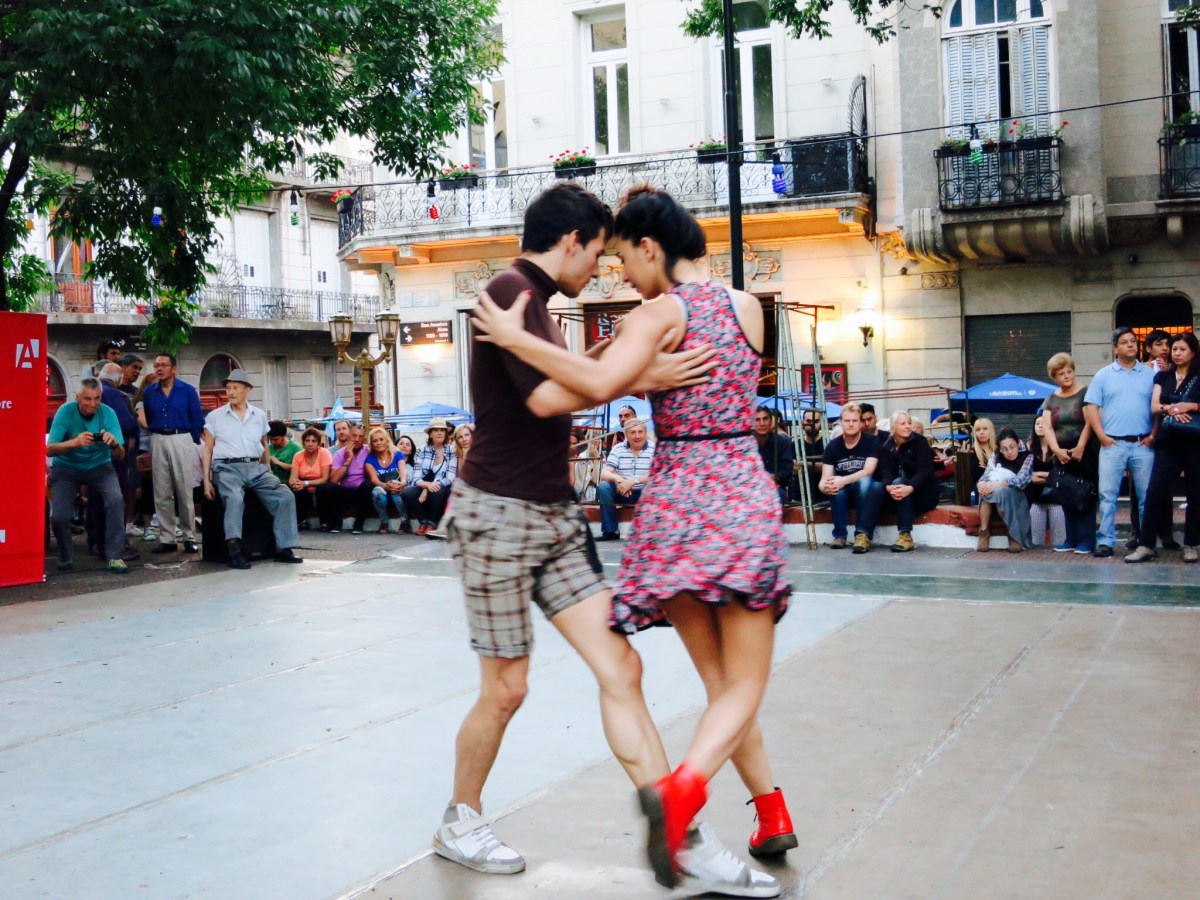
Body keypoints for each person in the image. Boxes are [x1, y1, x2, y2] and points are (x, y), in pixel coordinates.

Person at [470, 183, 791, 894]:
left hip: (675, 505)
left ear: (650, 248)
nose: (618, 275)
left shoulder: (654, 316)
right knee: (743, 685)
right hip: (738, 493)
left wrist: (523, 338)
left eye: (624, 261)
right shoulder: (748, 309)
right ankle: (697, 795)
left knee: (708, 683)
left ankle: (726, 807)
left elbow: (598, 377)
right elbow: (595, 383)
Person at [200, 369, 303, 570]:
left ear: (247, 390)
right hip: (227, 466)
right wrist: (206, 480)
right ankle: (234, 549)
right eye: (228, 388)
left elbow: (264, 445)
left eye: (235, 387)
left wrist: (268, 470)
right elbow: (208, 449)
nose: (230, 392)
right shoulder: (215, 416)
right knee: (235, 498)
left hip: (255, 466)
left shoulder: (259, 415)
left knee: (284, 495)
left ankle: (284, 548)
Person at [1126, 332, 1200, 563]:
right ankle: (1146, 544)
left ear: (1193, 352)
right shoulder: (1163, 376)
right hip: (1168, 442)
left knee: (1196, 494)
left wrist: (1191, 405)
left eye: (1181, 349)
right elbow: (1155, 406)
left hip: (1195, 442)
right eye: (1174, 349)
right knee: (1155, 491)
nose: (1176, 353)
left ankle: (1191, 544)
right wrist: (1175, 409)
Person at [1084, 328, 1156, 558]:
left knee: (1147, 496)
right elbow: (1091, 407)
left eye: (1133, 341)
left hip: (1142, 443)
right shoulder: (1103, 375)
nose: (1130, 345)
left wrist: (1153, 435)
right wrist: (1102, 436)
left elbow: (1159, 408)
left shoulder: (1150, 374)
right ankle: (1105, 541)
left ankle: (1146, 543)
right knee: (1108, 496)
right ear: (1115, 348)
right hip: (1112, 443)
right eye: (1124, 342)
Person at [46, 378, 129, 574]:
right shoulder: (65, 412)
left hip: (100, 467)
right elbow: (49, 449)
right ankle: (66, 555)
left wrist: (114, 444)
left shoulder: (108, 413)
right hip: (66, 469)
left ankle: (115, 556)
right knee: (59, 517)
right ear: (77, 397)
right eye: (87, 399)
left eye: (97, 399)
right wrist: (73, 443)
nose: (92, 404)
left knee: (116, 501)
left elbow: (121, 454)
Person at [140, 353, 204, 554]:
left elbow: (196, 418)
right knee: (161, 490)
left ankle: (189, 536)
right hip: (158, 437)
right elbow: (148, 417)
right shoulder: (150, 392)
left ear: (173, 368)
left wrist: (190, 440)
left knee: (184, 489)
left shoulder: (187, 390)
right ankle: (167, 537)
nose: (159, 369)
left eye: (163, 365)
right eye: (156, 365)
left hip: (181, 436)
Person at [1039, 353, 1097, 554]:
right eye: (1061, 373)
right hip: (1061, 452)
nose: (1066, 376)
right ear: (1053, 377)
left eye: (1069, 371)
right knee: (1066, 493)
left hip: (1085, 451)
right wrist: (1056, 450)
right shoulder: (1051, 398)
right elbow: (1046, 427)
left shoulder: (1086, 393)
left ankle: (1087, 540)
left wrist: (1080, 447)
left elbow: (1091, 421)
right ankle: (1070, 538)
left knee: (1085, 494)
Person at [820, 403, 883, 553]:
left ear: (860, 423)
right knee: (835, 488)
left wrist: (841, 480)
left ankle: (862, 535)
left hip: (864, 490)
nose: (851, 424)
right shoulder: (832, 446)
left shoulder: (871, 441)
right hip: (844, 491)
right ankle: (840, 536)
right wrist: (825, 487)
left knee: (864, 481)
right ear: (841, 422)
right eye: (847, 421)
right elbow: (824, 479)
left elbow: (868, 471)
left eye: (855, 421)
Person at [879, 410, 938, 552]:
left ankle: (906, 536)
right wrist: (888, 487)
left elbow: (924, 472)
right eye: (903, 423)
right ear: (893, 427)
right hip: (897, 492)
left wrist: (910, 488)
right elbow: (885, 473)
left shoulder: (920, 441)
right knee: (886, 487)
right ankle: (863, 535)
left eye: (909, 423)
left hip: (922, 492)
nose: (908, 426)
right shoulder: (887, 446)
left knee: (900, 484)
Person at [976, 427, 1034, 552]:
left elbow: (1021, 481)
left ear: (1018, 443)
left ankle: (1013, 535)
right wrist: (981, 483)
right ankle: (984, 532)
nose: (1009, 452)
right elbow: (987, 473)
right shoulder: (996, 455)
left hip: (1019, 497)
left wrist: (999, 484)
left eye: (1012, 447)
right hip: (996, 497)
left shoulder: (1028, 456)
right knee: (986, 489)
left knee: (999, 490)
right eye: (1004, 449)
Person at [596, 418, 655, 540]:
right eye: (632, 432)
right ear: (626, 434)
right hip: (623, 491)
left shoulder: (654, 449)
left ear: (645, 432)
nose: (637, 436)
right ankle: (610, 531)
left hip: (646, 492)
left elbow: (658, 474)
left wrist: (633, 481)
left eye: (640, 432)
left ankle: (651, 530)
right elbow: (605, 473)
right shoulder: (618, 449)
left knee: (656, 487)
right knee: (603, 486)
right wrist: (619, 480)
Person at [402, 417, 458, 535]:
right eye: (436, 430)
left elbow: (450, 478)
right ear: (430, 434)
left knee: (437, 490)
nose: (439, 433)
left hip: (443, 488)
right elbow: (416, 478)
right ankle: (423, 521)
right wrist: (426, 485)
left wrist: (429, 487)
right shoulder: (422, 450)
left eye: (442, 430)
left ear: (446, 433)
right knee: (407, 492)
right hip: (424, 485)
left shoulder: (451, 451)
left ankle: (432, 522)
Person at [319, 423, 372, 534]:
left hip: (362, 490)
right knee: (326, 488)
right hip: (345, 489)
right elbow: (333, 480)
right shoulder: (339, 454)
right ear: (349, 436)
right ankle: (335, 523)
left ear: (364, 439)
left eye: (360, 437)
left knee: (368, 485)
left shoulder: (368, 451)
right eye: (354, 436)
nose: (357, 439)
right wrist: (348, 459)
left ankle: (358, 525)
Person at [1025, 416, 1067, 548]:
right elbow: (1028, 477)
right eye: (1037, 423)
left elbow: (1061, 476)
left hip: (1057, 501)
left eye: (1043, 423)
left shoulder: (1058, 449)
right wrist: (1050, 477)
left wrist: (1041, 475)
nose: (1040, 426)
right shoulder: (1029, 449)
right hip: (1036, 501)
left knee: (1059, 541)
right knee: (1036, 542)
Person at [364, 426, 412, 533]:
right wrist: (385, 486)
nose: (379, 443)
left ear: (387, 440)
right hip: (383, 489)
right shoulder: (370, 459)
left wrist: (402, 483)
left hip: (398, 489)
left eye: (381, 439)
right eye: (375, 441)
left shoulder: (398, 454)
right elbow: (374, 479)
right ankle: (384, 522)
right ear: (371, 444)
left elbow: (403, 471)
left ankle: (405, 521)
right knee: (376, 491)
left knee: (396, 484)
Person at [288, 427, 333, 529]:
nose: (310, 444)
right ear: (303, 443)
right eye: (307, 441)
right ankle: (300, 521)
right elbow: (292, 478)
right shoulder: (298, 456)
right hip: (304, 486)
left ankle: (325, 521)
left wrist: (306, 483)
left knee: (325, 489)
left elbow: (325, 478)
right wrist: (296, 484)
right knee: (294, 489)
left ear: (318, 443)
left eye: (313, 441)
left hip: (321, 485)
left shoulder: (324, 453)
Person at [753, 405, 794, 506]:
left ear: (771, 421)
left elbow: (787, 470)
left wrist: (775, 477)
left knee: (777, 495)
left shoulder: (782, 442)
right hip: (751, 488)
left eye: (765, 419)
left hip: (775, 488)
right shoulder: (746, 444)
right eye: (757, 420)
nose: (762, 424)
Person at [794, 409, 825, 506]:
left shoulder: (828, 444)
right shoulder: (794, 445)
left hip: (824, 500)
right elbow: (792, 469)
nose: (812, 425)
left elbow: (828, 468)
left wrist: (803, 464)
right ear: (803, 422)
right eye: (808, 421)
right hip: (798, 500)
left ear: (820, 423)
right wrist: (817, 467)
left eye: (815, 421)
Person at [968, 417, 997, 489]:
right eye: (978, 430)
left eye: (985, 429)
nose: (981, 432)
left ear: (991, 430)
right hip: (981, 491)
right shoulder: (971, 452)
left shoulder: (999, 450)